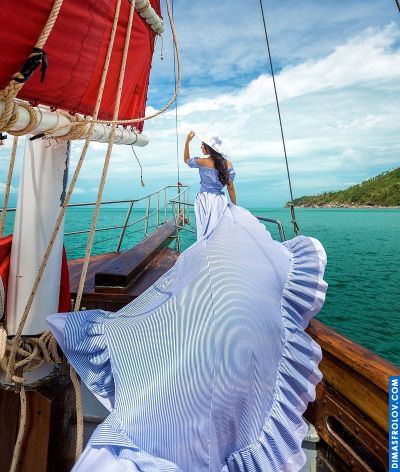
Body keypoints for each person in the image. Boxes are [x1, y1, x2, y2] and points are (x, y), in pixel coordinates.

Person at [47, 131, 327, 472]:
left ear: (206, 149)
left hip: (206, 201)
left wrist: (187, 141)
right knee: (210, 243)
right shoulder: (225, 165)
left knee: (206, 246)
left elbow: (184, 160)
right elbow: (232, 190)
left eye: (202, 146)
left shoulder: (202, 161)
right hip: (220, 203)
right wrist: (235, 209)